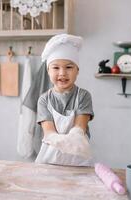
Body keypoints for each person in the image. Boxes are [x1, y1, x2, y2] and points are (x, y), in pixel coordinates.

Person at [35, 34, 94, 166]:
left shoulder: (83, 96)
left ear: (77, 70)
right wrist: (60, 140)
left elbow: (79, 128)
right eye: (56, 67)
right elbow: (49, 133)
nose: (62, 73)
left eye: (69, 67)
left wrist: (74, 136)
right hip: (50, 161)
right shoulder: (44, 100)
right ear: (48, 71)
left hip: (78, 160)